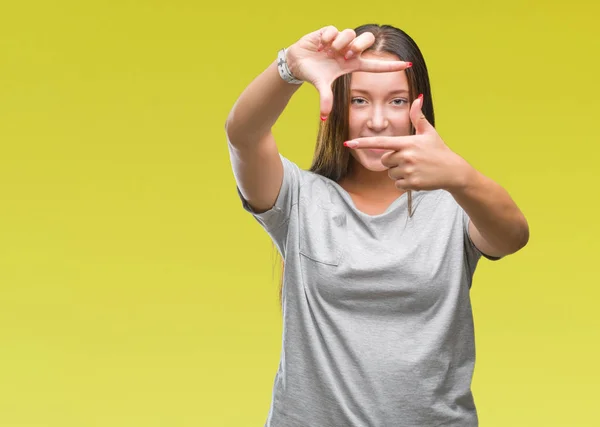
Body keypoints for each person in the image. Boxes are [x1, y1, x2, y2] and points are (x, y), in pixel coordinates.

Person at [224, 23, 529, 427]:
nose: (379, 121)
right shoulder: (299, 199)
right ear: (338, 106)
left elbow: (513, 236)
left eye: (397, 100)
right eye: (360, 101)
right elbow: (243, 135)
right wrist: (289, 67)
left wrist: (460, 175)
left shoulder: (454, 203)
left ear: (418, 106)